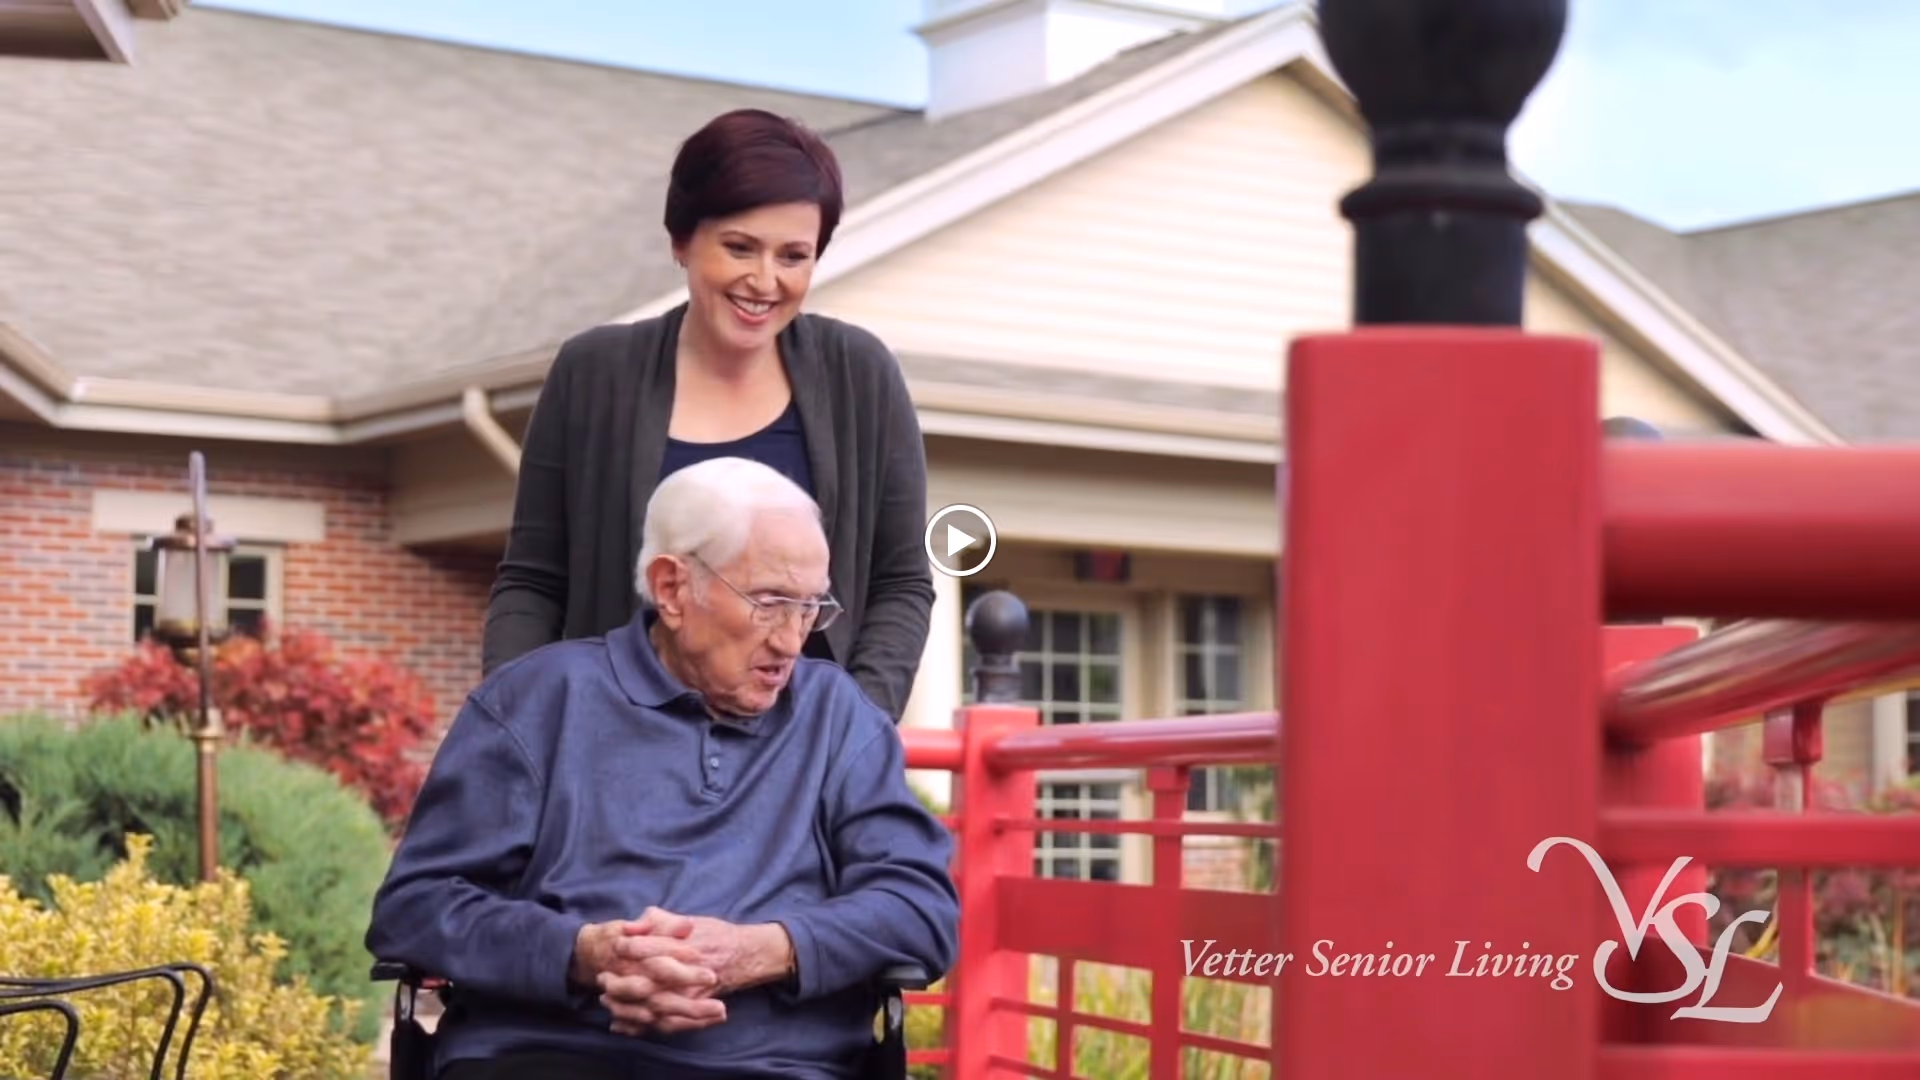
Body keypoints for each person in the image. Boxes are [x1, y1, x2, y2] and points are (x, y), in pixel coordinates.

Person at [367, 457, 959, 1079]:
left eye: (811, 606)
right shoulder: (537, 700)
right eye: (770, 603)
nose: (793, 639)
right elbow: (415, 907)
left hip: (777, 1066)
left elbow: (920, 907)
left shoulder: (836, 717)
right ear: (673, 588)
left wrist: (761, 951)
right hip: (544, 1056)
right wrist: (583, 955)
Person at [483, 107, 935, 723]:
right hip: (611, 746)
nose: (765, 280)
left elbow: (901, 582)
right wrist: (513, 719)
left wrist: (852, 727)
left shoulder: (858, 374)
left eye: (793, 256)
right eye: (740, 248)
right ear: (681, 240)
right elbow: (533, 582)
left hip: (799, 760)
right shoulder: (593, 373)